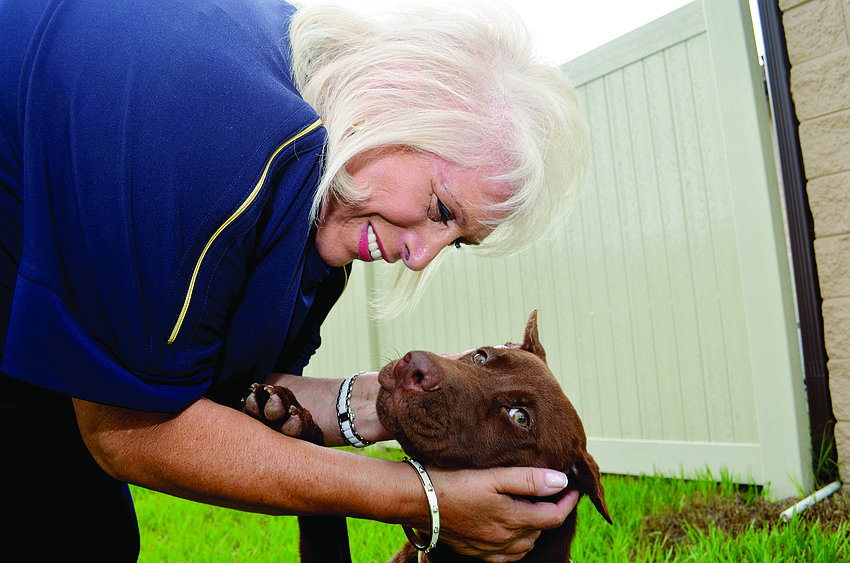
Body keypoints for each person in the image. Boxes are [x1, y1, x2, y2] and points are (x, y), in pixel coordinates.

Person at [0, 0, 589, 560]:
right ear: (402, 95)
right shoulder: (213, 141)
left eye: (454, 241)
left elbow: (224, 388)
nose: (420, 257)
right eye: (439, 208)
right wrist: (421, 498)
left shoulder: (327, 194)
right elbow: (129, 429)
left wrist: (387, 403)